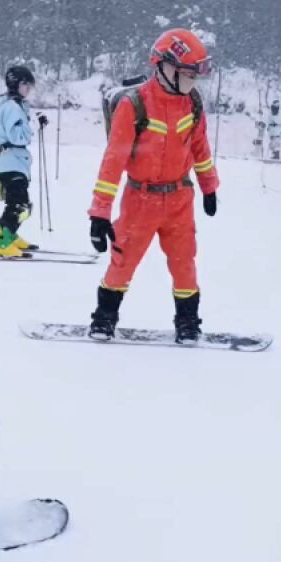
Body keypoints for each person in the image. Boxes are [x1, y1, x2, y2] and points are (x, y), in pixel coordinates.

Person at [86, 28, 219, 345]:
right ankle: (104, 319)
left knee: (185, 264)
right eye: (189, 74)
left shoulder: (192, 103)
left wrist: (209, 186)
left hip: (179, 200)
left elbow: (200, 147)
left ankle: (188, 323)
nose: (193, 82)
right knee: (123, 261)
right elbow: (113, 161)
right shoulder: (134, 105)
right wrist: (99, 212)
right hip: (140, 200)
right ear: (166, 66)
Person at [0, 66, 45, 257]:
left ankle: (6, 235)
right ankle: (2, 243)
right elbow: (16, 136)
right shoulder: (12, 107)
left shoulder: (16, 105)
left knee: (18, 204)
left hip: (15, 162)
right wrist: (32, 129)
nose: (28, 88)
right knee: (19, 206)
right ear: (15, 84)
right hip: (10, 162)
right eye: (25, 84)